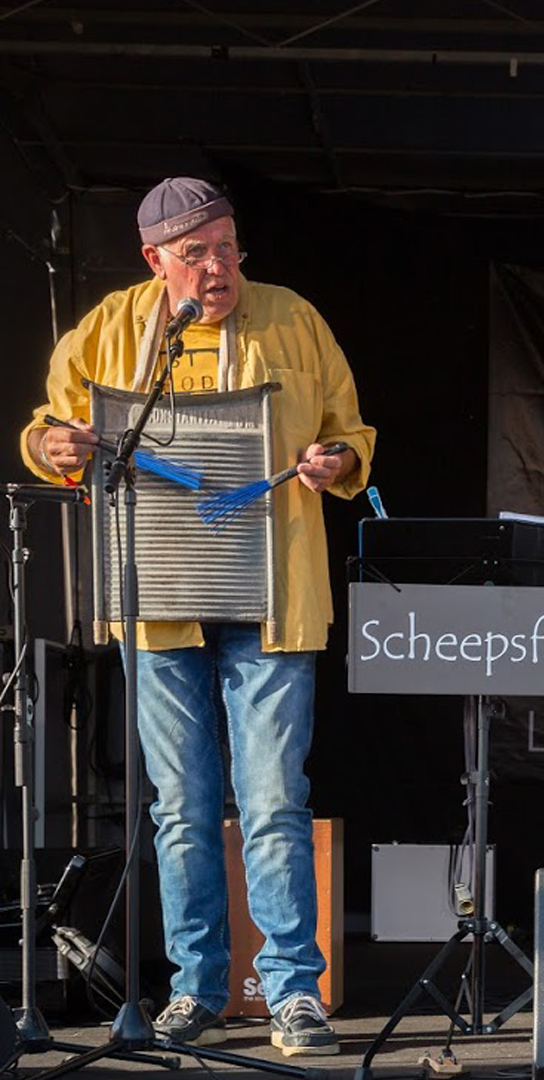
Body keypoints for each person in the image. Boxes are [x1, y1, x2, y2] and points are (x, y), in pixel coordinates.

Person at [20, 178, 374, 1055]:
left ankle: (295, 994)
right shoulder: (108, 329)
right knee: (181, 806)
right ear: (155, 261)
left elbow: (355, 435)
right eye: (195, 254)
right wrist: (52, 446)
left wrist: (336, 460)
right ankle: (196, 990)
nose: (217, 267)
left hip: (274, 596)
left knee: (273, 802)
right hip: (158, 600)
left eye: (226, 246)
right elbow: (48, 430)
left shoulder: (295, 317)